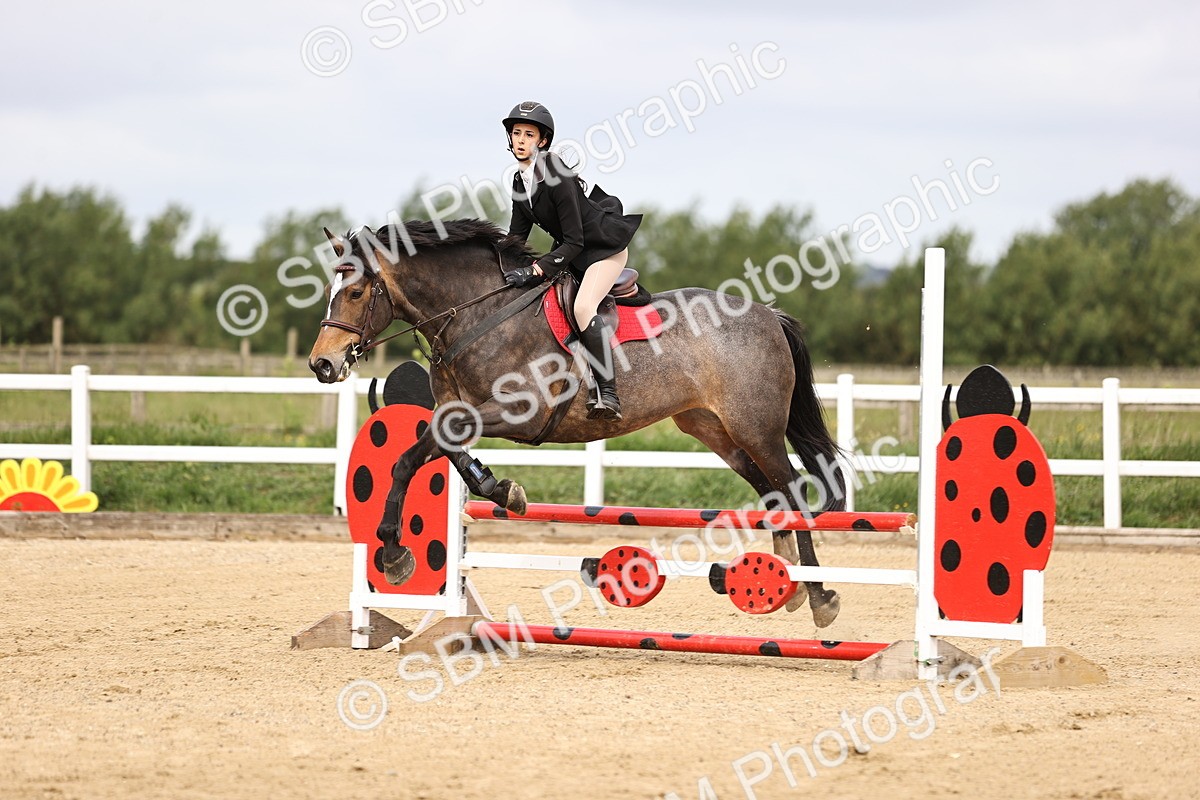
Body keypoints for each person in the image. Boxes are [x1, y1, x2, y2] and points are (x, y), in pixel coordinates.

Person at [500, 101, 642, 421]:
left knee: (582, 307)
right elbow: (516, 239)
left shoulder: (556, 173)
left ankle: (608, 392)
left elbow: (575, 240)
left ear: (543, 141)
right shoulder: (519, 181)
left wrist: (536, 268)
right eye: (516, 133)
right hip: (572, 253)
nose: (520, 139)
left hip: (602, 249)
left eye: (528, 134)